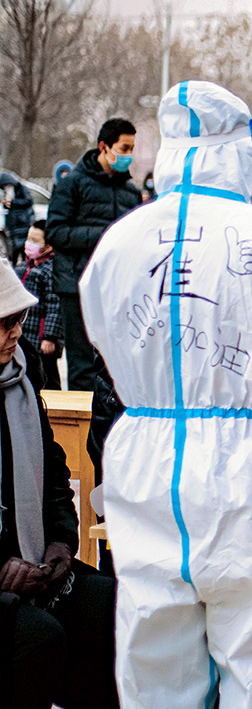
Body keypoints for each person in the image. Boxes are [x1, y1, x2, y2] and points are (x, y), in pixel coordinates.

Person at [77, 81, 252, 707]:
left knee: (156, 655)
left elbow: (98, 328)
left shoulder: (120, 241)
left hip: (147, 455)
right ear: (241, 153)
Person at [0, 263, 118, 709]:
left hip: (34, 562)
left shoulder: (24, 374)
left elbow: (53, 472)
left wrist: (61, 544)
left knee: (111, 607)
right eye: (4, 322)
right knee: (37, 639)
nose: (15, 332)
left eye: (19, 319)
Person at [46, 118, 141, 391]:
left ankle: (107, 431)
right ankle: (82, 432)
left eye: (132, 149)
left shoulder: (129, 192)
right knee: (82, 366)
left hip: (115, 289)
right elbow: (57, 232)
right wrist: (105, 235)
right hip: (76, 287)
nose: (128, 155)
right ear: (104, 146)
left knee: (114, 365)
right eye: (124, 148)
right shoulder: (72, 184)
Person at [19, 222, 63, 391]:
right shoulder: (23, 267)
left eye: (35, 240)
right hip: (26, 336)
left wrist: (50, 337)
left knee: (48, 378)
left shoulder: (51, 271)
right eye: (28, 239)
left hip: (42, 340)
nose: (28, 244)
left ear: (48, 246)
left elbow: (54, 305)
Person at [0, 171, 34, 266]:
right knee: (14, 248)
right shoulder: (7, 192)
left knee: (23, 249)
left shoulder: (22, 189)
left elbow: (28, 201)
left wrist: (13, 202)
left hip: (22, 222)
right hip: (13, 224)